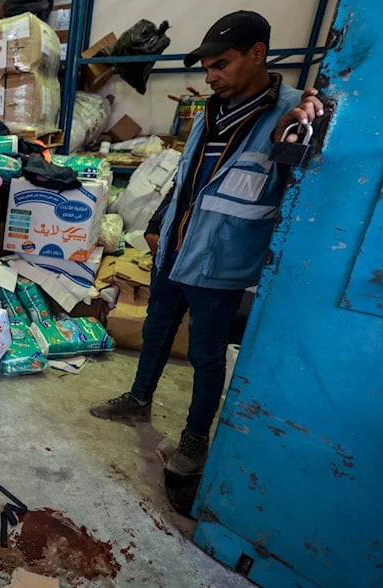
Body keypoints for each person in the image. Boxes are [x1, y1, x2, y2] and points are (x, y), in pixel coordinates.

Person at [89, 10, 324, 476]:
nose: (212, 75)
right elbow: (187, 179)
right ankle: (138, 399)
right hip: (175, 250)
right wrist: (159, 222)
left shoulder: (294, 111)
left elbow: (301, 184)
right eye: (208, 67)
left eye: (223, 64)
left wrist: (301, 130)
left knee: (206, 354)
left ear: (258, 54)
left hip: (222, 261)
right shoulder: (210, 111)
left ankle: (195, 438)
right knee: (157, 332)